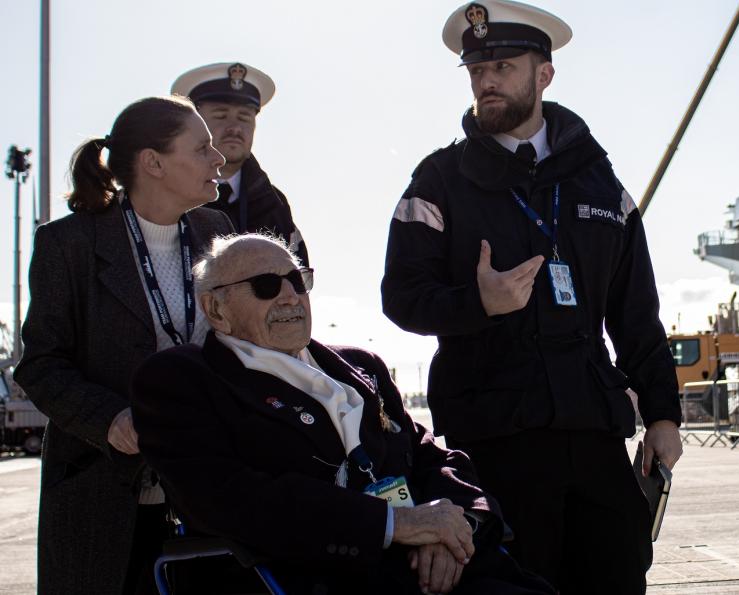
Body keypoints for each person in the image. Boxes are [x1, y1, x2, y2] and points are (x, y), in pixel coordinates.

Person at [381, 2, 683, 592]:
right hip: (494, 440)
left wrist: (664, 414)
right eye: (476, 70)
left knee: (618, 576)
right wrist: (478, 303)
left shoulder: (601, 183)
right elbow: (401, 297)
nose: (486, 80)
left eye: (503, 66)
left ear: (544, 74)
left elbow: (636, 315)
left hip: (594, 431)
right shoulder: (438, 180)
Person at [130, 234, 553, 594]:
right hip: (309, 574)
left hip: (432, 566)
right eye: (265, 285)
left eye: (297, 280)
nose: (290, 296)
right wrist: (394, 525)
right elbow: (227, 500)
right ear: (216, 310)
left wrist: (454, 530)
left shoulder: (360, 365)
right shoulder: (183, 380)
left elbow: (430, 457)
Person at [14, 96, 234, 595]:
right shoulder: (67, 245)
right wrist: (110, 419)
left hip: (207, 493)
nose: (217, 159)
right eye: (201, 148)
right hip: (102, 498)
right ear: (153, 163)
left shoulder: (216, 232)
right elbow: (41, 365)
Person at [171, 62, 309, 264]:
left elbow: (298, 282)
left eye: (244, 117)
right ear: (195, 123)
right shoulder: (169, 194)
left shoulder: (273, 203)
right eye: (221, 115)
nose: (234, 128)